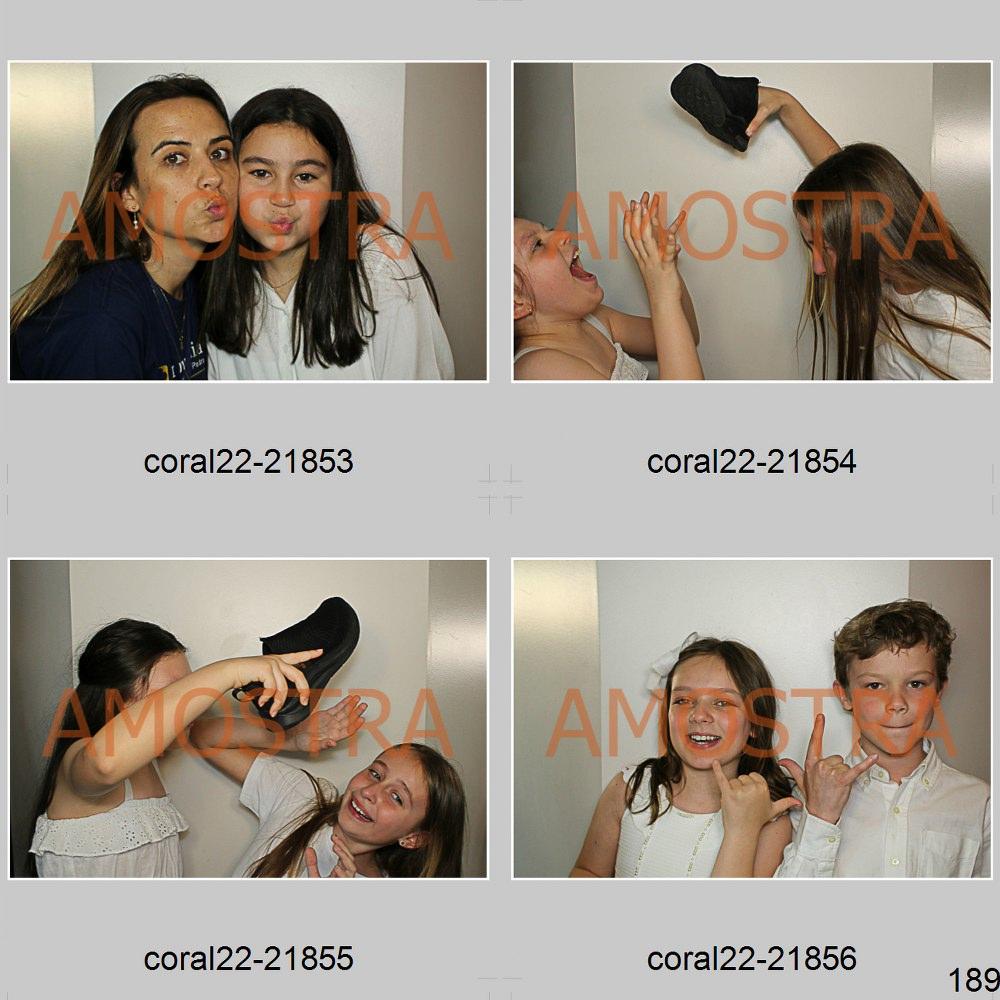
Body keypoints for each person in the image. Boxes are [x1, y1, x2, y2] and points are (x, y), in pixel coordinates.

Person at [28, 618, 324, 877]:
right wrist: (231, 672)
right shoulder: (80, 759)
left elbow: (204, 732)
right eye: (174, 693)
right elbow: (104, 764)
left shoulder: (146, 761)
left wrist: (291, 737)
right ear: (115, 697)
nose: (190, 705)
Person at [203, 88, 454, 380]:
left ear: (334, 185)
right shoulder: (213, 277)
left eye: (305, 176)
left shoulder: (379, 263)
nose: (282, 197)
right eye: (261, 173)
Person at [747, 84, 991, 380]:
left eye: (826, 247)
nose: (818, 267)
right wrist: (787, 106)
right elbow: (849, 191)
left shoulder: (960, 334)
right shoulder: (890, 279)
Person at [11, 75, 235, 380]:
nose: (213, 176)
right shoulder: (99, 320)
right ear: (127, 193)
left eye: (219, 153)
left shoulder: (195, 284)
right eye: (174, 158)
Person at [776, 599, 990, 877]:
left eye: (916, 684)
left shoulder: (981, 803)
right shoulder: (810, 796)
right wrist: (820, 818)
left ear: (939, 691)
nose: (897, 703)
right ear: (844, 695)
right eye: (875, 685)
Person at [571, 636, 798, 878]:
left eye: (722, 702)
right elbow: (588, 871)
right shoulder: (629, 788)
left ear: (756, 724)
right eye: (683, 700)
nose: (698, 715)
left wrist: (743, 830)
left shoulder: (769, 820)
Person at [189, 707, 466, 877]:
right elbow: (204, 736)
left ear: (413, 838)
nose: (370, 792)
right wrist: (289, 738)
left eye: (396, 797)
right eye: (375, 773)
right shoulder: (303, 796)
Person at [514, 192, 703, 380]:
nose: (563, 234)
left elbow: (688, 334)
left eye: (549, 229)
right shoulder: (538, 369)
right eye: (537, 245)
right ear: (517, 304)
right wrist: (662, 294)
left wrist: (665, 266)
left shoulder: (596, 320)